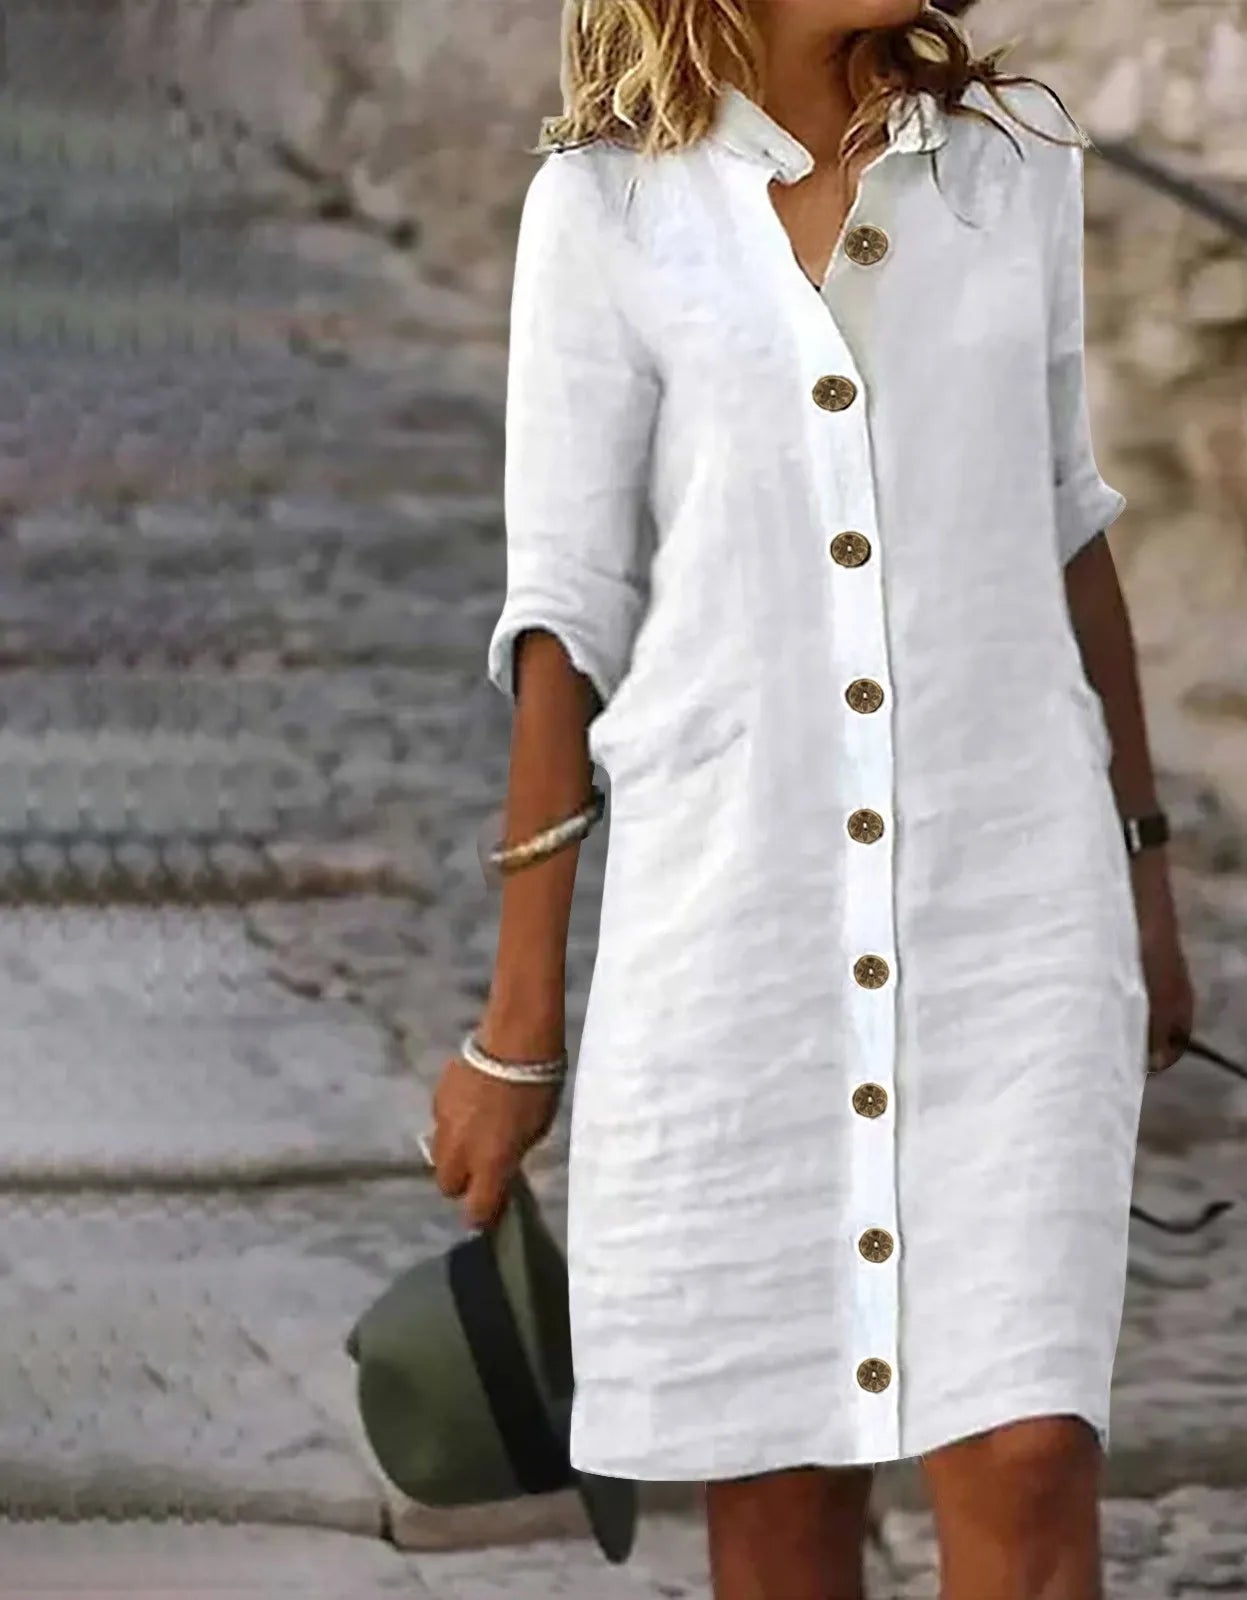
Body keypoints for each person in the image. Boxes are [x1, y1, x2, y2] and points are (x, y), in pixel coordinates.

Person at [427, 2, 1196, 1595]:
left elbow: (1067, 519)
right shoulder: (606, 210)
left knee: (1029, 1451)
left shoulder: (1014, 167)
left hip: (1015, 902)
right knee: (780, 1489)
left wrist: (1144, 878)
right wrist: (518, 1026)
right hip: (731, 923)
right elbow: (567, 615)